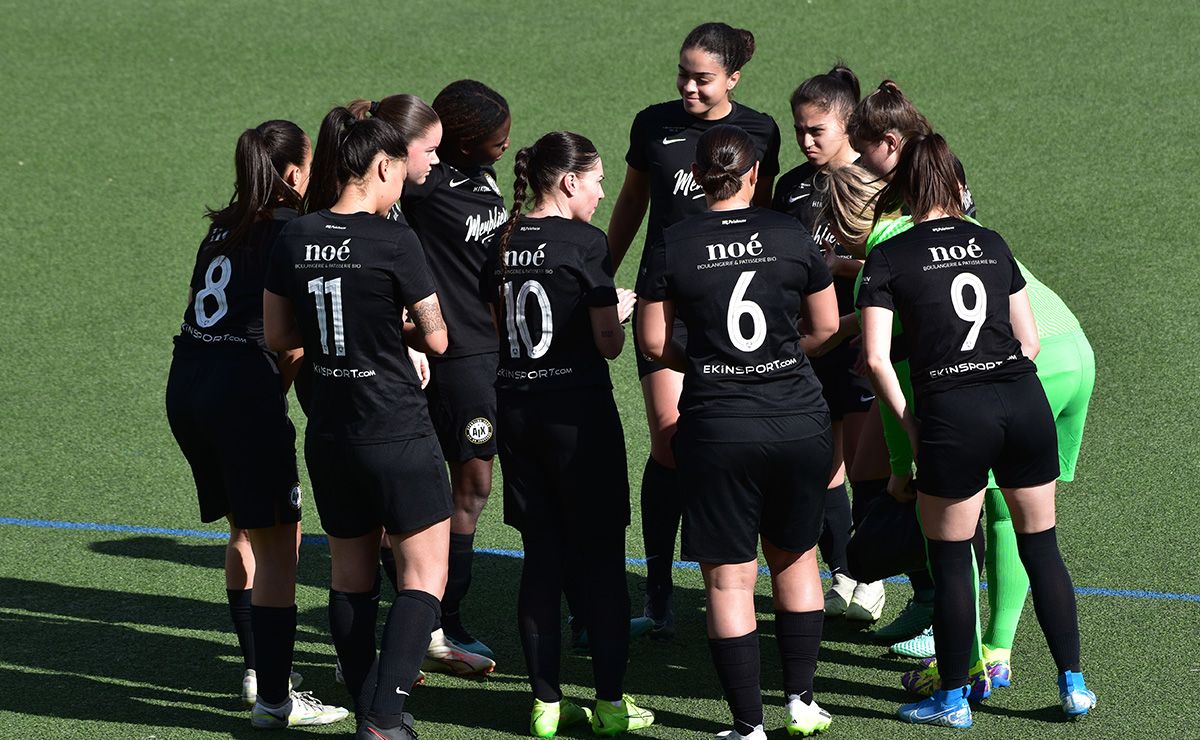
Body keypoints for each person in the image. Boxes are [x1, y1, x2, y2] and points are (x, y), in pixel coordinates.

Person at [856, 134, 1096, 727]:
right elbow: (1031, 340)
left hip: (952, 415)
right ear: (956, 183)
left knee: (953, 559)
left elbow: (878, 360)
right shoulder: (991, 241)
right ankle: (1074, 686)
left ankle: (953, 701)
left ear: (904, 187)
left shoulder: (889, 255)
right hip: (1023, 401)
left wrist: (912, 426)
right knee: (1041, 545)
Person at [638, 125, 838, 740]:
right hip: (799, 418)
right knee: (797, 559)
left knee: (730, 577)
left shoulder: (674, 243)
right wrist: (779, 355)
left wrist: (707, 360)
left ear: (696, 178)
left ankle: (747, 725)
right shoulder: (790, 233)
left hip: (720, 425)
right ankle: (802, 702)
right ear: (754, 175)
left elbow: (650, 342)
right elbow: (827, 327)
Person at [264, 103, 451, 740]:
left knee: (350, 576)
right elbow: (439, 337)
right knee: (425, 574)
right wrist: (395, 326)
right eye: (400, 173)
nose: (403, 185)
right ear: (378, 166)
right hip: (396, 426)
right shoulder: (395, 239)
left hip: (331, 432)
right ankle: (384, 713)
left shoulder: (294, 236)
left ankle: (366, 698)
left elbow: (277, 333)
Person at [165, 119, 348, 728]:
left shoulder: (222, 227)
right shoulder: (296, 232)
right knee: (280, 544)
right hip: (239, 392)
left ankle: (256, 668)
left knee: (247, 530)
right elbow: (291, 338)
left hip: (188, 384)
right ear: (295, 172)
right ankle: (275, 698)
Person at [608, 22, 781, 637]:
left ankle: (741, 579)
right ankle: (658, 595)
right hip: (667, 307)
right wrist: (601, 271)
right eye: (682, 73)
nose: (688, 86)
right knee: (669, 440)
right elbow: (632, 200)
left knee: (736, 439)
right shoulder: (652, 124)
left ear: (733, 78)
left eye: (702, 78)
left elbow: (763, 218)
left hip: (734, 311)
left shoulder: (760, 131)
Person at [485, 131, 654, 739]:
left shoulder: (501, 240)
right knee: (603, 562)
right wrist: (622, 310)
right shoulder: (585, 243)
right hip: (578, 416)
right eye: (598, 180)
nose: (603, 191)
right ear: (568, 182)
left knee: (542, 558)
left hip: (518, 413)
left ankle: (546, 705)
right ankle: (610, 704)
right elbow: (607, 344)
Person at [390, 80, 512, 666]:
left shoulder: (480, 179)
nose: (504, 147)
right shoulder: (421, 187)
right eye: (496, 140)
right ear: (460, 141)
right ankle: (443, 622)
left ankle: (434, 619)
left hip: (494, 354)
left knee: (468, 488)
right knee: (469, 488)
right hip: (457, 358)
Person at [772, 63, 887, 622]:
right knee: (823, 465)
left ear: (848, 126)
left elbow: (894, 260)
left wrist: (838, 267)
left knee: (868, 468)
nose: (806, 141)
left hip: (864, 340)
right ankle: (846, 571)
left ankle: (874, 577)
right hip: (808, 343)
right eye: (799, 129)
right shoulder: (791, 186)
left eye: (817, 130)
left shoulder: (876, 186)